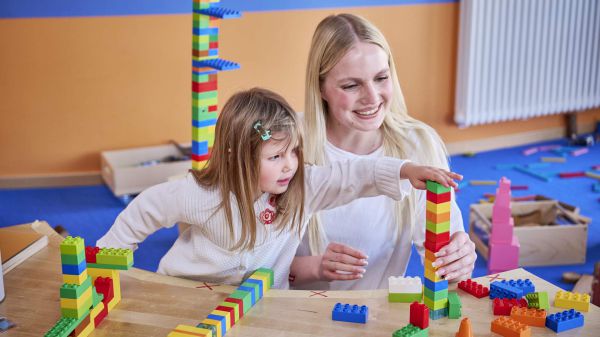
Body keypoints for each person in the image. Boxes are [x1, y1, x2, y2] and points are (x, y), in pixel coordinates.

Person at [97, 87, 461, 289]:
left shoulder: (303, 187)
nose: (290, 164)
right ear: (237, 156)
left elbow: (352, 175)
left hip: (262, 301)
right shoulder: (198, 193)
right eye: (275, 156)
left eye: (294, 152)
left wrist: (403, 169)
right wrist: (107, 260)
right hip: (185, 292)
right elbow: (143, 211)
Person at [290, 14, 476, 290]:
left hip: (376, 319)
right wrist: (312, 267)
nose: (372, 98)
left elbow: (443, 248)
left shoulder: (419, 145)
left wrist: (459, 257)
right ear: (320, 88)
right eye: (351, 85)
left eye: (381, 78)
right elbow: (252, 263)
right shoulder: (288, 145)